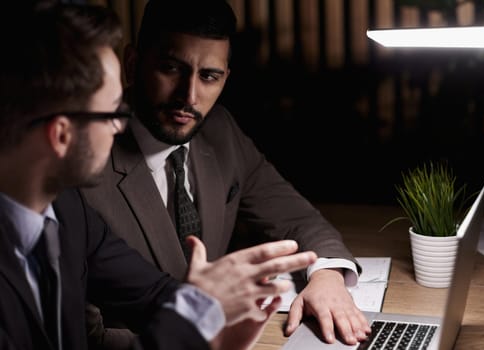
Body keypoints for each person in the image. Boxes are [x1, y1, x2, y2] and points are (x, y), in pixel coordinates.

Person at [0, 2, 317, 350]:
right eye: (112, 113)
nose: (121, 124)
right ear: (61, 135)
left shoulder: (67, 210)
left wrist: (216, 319)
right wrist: (198, 315)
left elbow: (154, 294)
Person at [81, 0, 371, 348]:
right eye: (171, 68)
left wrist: (327, 277)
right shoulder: (80, 167)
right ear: (132, 64)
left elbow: (297, 217)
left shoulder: (220, 130)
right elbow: (83, 338)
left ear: (225, 78)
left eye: (208, 76)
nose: (189, 96)